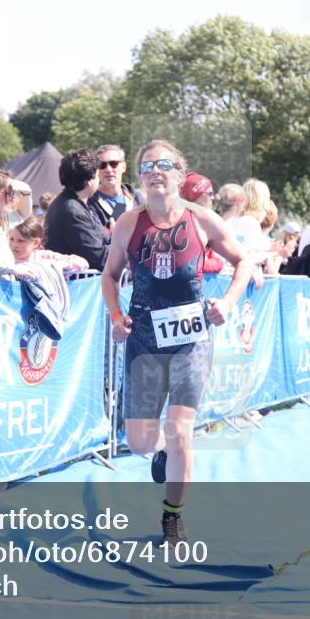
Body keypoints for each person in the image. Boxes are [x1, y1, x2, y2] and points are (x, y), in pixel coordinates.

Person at [101, 139, 255, 546]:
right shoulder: (128, 224)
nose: (155, 171)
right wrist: (116, 316)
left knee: (180, 430)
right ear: (140, 177)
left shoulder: (202, 221)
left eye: (164, 164)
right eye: (147, 166)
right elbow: (109, 276)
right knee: (140, 442)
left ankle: (173, 516)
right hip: (145, 341)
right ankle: (162, 455)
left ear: (180, 175)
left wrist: (226, 302)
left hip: (192, 338)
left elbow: (244, 262)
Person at [44, 148, 109, 271]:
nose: (99, 179)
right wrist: (125, 246)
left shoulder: (77, 204)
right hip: (77, 287)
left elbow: (104, 239)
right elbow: (99, 258)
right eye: (97, 175)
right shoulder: (72, 211)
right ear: (89, 181)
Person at [90, 144, 145, 227]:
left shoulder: (137, 198)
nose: (108, 170)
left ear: (123, 167)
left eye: (113, 163)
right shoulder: (89, 202)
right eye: (102, 165)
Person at [8, 216, 89, 273]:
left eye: (21, 241)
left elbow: (83, 262)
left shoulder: (45, 256)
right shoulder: (4, 259)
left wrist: (61, 265)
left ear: (36, 243)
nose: (14, 244)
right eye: (11, 239)